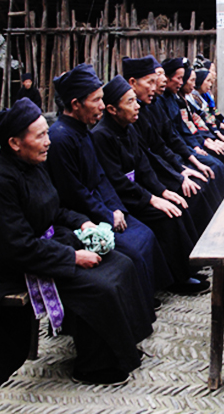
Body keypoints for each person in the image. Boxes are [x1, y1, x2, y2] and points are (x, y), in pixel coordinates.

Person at [0, 98, 154, 387]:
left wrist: (83, 222)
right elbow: (17, 247)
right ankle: (94, 367)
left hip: (50, 243)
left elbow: (54, 209)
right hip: (20, 263)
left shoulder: (33, 164)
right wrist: (72, 257)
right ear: (15, 143)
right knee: (100, 286)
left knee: (122, 263)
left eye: (47, 133)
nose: (48, 142)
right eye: (40, 135)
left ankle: (122, 348)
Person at [46, 64, 174, 310]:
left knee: (145, 233)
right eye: (96, 101)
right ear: (75, 104)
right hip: (81, 216)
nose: (103, 107)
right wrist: (106, 214)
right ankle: (137, 303)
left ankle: (147, 293)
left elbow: (101, 176)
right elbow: (75, 192)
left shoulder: (82, 130)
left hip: (103, 207)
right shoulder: (61, 138)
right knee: (131, 251)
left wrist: (116, 208)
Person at [91, 75, 210, 294]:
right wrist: (152, 199)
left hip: (139, 190)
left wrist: (163, 192)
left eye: (135, 100)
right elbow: (116, 180)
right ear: (111, 109)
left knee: (177, 203)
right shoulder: (101, 136)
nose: (137, 107)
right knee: (165, 215)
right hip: (123, 199)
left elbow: (143, 165)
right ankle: (176, 279)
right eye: (130, 102)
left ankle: (187, 268)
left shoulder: (128, 126)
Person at [124, 55, 221, 233]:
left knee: (210, 171)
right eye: (152, 81)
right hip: (151, 179)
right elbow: (147, 158)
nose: (156, 86)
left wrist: (188, 165)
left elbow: (167, 140)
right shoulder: (129, 117)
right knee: (192, 193)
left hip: (167, 165)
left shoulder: (153, 104)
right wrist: (176, 178)